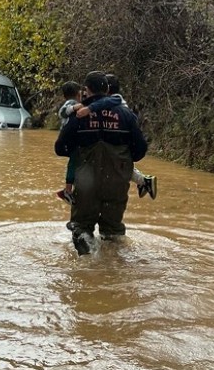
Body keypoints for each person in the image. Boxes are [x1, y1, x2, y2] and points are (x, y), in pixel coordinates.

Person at [54, 71, 148, 255]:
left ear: (86, 90)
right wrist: (123, 163)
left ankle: (89, 266)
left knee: (81, 227)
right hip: (117, 182)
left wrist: (78, 155)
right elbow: (140, 150)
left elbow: (60, 148)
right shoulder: (125, 114)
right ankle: (112, 268)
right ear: (107, 90)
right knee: (113, 232)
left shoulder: (79, 115)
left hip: (86, 182)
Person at [74, 73, 158, 199]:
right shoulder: (115, 102)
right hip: (120, 145)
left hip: (118, 146)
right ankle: (143, 181)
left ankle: (143, 181)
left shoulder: (114, 101)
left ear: (106, 90)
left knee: (114, 164)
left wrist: (88, 108)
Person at [55, 80, 82, 205]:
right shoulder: (72, 103)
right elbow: (62, 112)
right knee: (74, 160)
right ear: (77, 94)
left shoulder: (74, 102)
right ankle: (68, 190)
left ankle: (68, 190)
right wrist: (77, 106)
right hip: (68, 140)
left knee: (74, 161)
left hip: (67, 139)